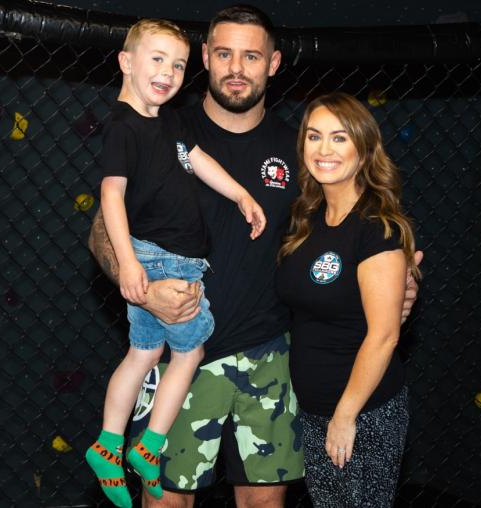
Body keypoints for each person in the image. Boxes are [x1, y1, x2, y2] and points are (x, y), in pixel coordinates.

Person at [88, 6, 423, 507]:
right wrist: (140, 287)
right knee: (165, 501)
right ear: (204, 58)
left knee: (264, 501)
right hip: (181, 347)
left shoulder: (302, 149)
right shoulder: (160, 129)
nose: (236, 67)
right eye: (223, 53)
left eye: (251, 55)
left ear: (274, 63)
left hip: (268, 354)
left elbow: (351, 225)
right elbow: (101, 229)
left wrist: (402, 277)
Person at [86, 18, 266, 508]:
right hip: (161, 261)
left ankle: (111, 444)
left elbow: (197, 158)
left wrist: (242, 194)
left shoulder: (164, 121)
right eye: (157, 59)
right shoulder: (124, 126)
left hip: (169, 260)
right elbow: (111, 196)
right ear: (126, 63)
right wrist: (127, 263)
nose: (169, 72)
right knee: (189, 353)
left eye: (179, 64)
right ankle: (149, 445)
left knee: (144, 354)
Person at [275, 92, 421, 508]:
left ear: (363, 149)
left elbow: (384, 336)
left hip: (363, 415)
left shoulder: (376, 228)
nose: (324, 149)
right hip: (316, 412)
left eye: (339, 138)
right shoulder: (306, 222)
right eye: (314, 136)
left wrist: (345, 416)